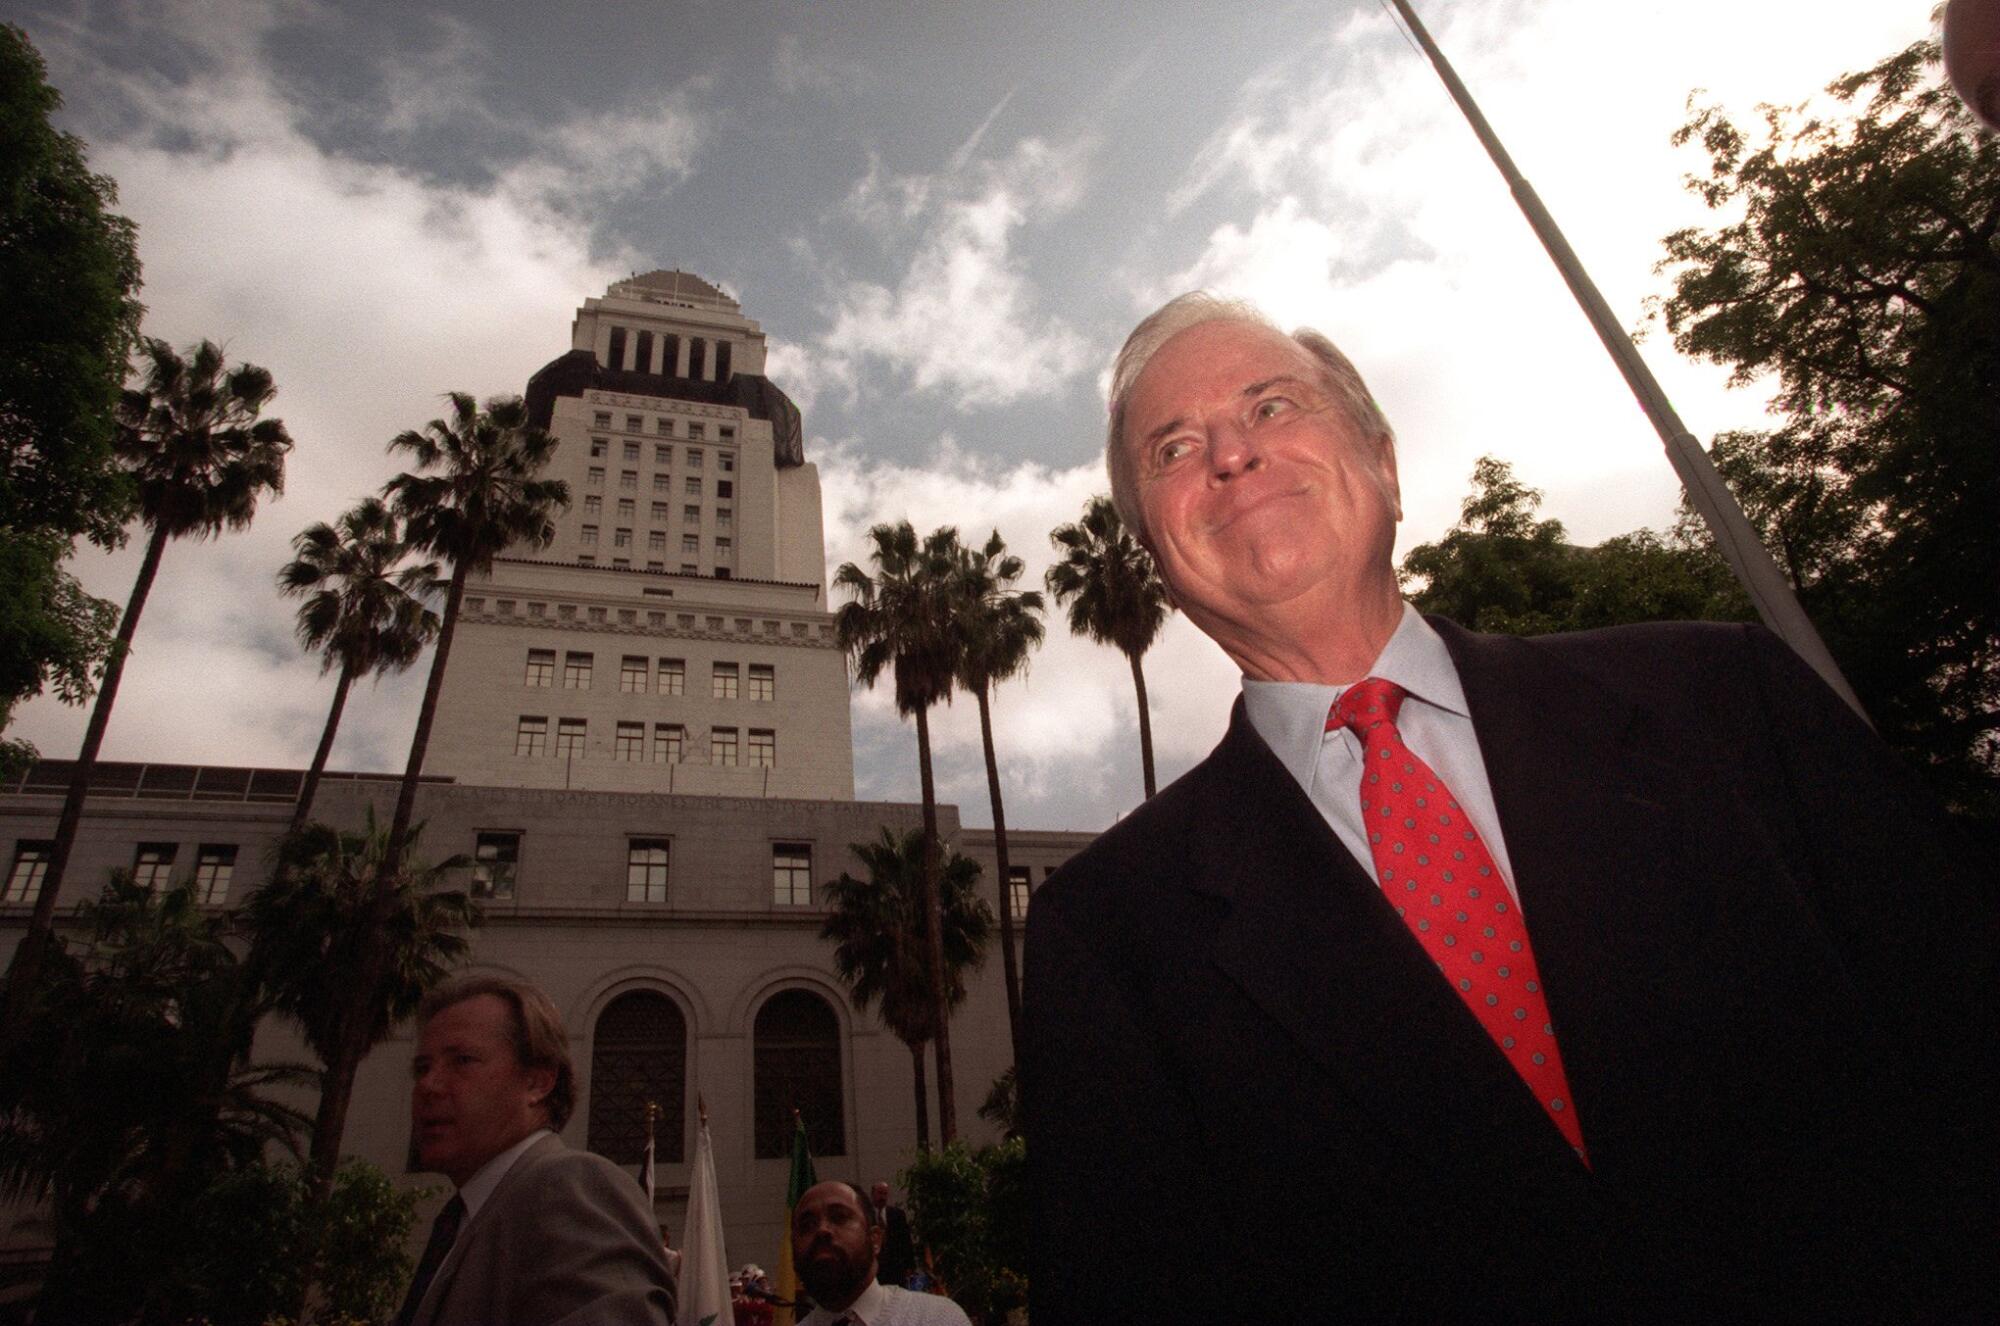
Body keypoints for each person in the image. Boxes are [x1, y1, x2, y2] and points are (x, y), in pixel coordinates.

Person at [1021, 294, 1994, 1322]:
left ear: (1383, 463)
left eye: (1270, 407)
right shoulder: (1110, 936)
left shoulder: (1724, 702)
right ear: (1155, 557)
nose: (1229, 453)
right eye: (1172, 447)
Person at [396, 975, 677, 1326]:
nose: (428, 1085)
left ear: (538, 1082)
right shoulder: (465, 1217)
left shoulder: (571, 1186)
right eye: (422, 1068)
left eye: (462, 1060)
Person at [791, 1180, 970, 1326]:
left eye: (839, 1217)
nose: (822, 1230)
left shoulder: (935, 1318)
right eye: (807, 1225)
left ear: (875, 1240)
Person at [868, 1180, 917, 1287]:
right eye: (880, 1193)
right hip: (875, 1269)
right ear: (872, 1194)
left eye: (885, 1193)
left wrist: (910, 1266)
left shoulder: (897, 1215)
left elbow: (906, 1240)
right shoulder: (865, 1215)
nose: (883, 1197)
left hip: (896, 1268)